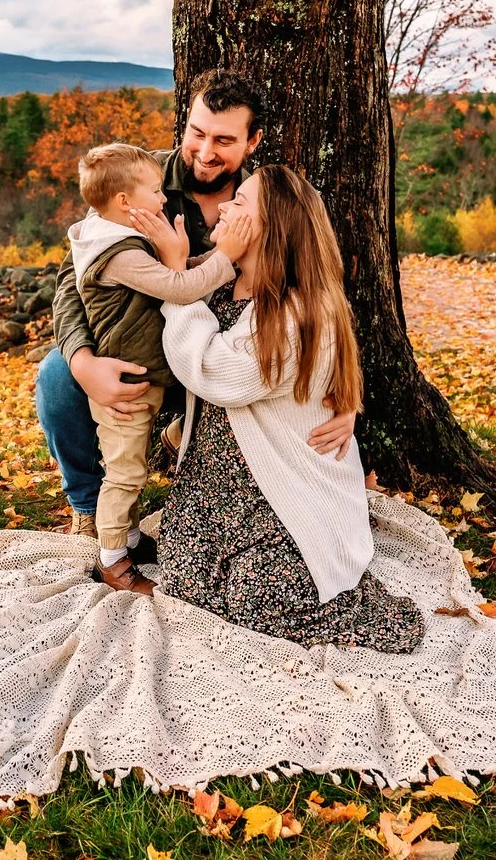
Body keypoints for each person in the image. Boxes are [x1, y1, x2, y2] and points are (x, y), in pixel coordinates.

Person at [36, 70, 356, 537]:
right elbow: (74, 276)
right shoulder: (134, 181)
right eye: (197, 133)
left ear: (253, 141)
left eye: (224, 140)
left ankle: (175, 444)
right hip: (131, 341)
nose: (205, 153)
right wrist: (83, 361)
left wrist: (340, 396)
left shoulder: (264, 199)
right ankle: (87, 505)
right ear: (184, 123)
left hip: (217, 349)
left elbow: (315, 289)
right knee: (55, 376)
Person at [136, 165, 424, 652]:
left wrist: (180, 277)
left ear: (274, 229)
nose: (224, 207)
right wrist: (188, 273)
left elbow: (217, 371)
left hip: (285, 492)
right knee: (188, 582)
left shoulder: (300, 311)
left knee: (259, 599)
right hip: (215, 490)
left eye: (241, 203)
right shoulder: (220, 282)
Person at [64, 143, 257, 595]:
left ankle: (128, 538)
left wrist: (197, 259)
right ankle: (112, 562)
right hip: (126, 383)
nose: (164, 197)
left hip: (143, 376)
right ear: (124, 202)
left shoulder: (119, 236)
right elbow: (179, 287)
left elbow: (176, 273)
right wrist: (226, 258)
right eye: (154, 191)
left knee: (132, 464)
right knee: (126, 472)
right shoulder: (118, 253)